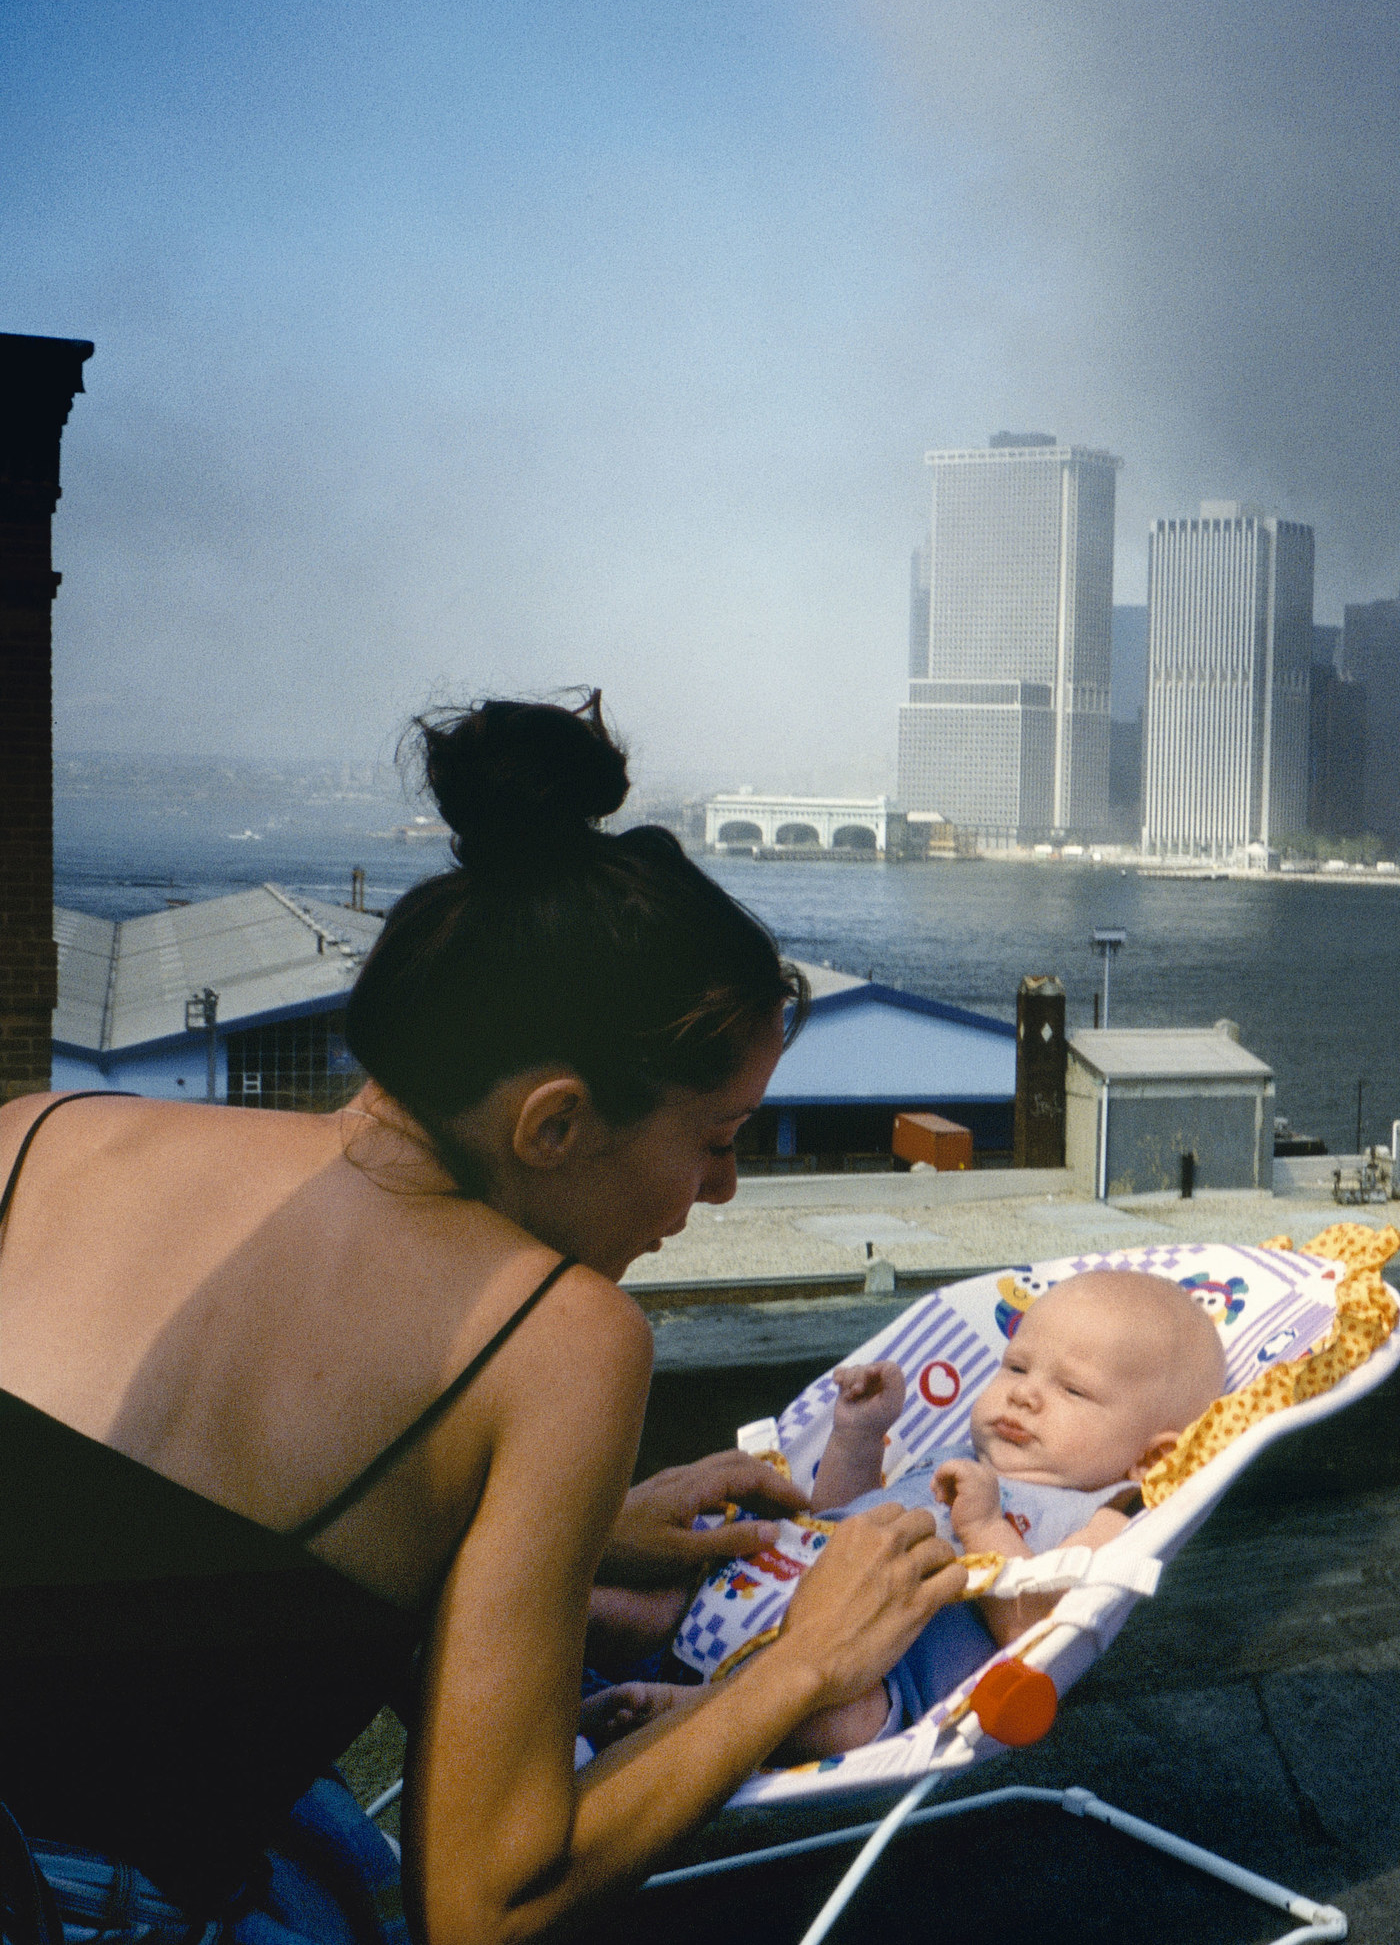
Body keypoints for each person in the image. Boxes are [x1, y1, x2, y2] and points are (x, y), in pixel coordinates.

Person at [0, 695, 967, 1945]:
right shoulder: (557, 1337)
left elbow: (121, 1546)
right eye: (715, 1142)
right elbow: (485, 1899)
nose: (721, 1189)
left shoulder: (37, 1137)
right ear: (554, 1123)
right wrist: (805, 1665)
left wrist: (585, 1534)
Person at [621, 1269, 1226, 1765]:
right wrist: (859, 1436)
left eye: (1073, 1391)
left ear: (1153, 1457)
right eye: (1016, 1367)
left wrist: (985, 1529)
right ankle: (561, 1664)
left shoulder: (1100, 1518)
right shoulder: (953, 1456)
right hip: (757, 1584)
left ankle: (688, 1712)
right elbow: (834, 1515)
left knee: (847, 1723)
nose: (1024, 1393)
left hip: (876, 1670)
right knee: (641, 1603)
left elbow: (1045, 1635)